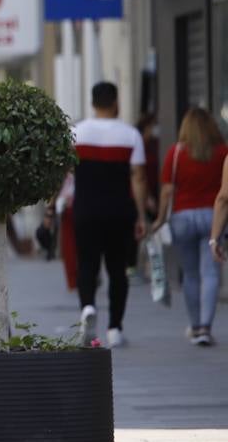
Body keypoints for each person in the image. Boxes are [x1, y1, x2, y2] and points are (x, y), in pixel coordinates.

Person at [72, 82, 147, 347]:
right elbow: (138, 178)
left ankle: (88, 307)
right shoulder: (130, 135)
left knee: (87, 264)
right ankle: (115, 327)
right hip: (120, 212)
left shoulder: (77, 133)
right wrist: (140, 215)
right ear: (116, 102)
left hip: (85, 210)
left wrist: (52, 206)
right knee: (117, 269)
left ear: (93, 104)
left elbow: (64, 173)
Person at [150, 107, 226, 346]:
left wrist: (160, 218)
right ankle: (205, 327)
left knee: (191, 274)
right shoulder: (222, 152)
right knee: (211, 273)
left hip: (182, 217)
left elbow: (167, 191)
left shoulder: (175, 153)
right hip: (212, 216)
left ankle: (194, 327)